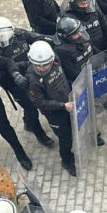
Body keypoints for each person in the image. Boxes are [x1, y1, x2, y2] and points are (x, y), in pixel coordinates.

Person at [0, 17, 54, 147]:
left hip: (32, 75)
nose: (2, 37)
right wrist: (14, 77)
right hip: (14, 83)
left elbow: (37, 38)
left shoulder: (20, 34)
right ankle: (39, 134)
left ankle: (27, 122)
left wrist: (50, 41)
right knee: (31, 109)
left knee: (35, 103)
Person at [25, 42, 77, 176]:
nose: (42, 68)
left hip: (68, 103)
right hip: (55, 113)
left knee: (73, 129)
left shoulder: (56, 60)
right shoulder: (32, 80)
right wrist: (62, 106)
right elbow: (40, 102)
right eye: (39, 65)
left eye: (46, 64)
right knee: (65, 138)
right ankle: (66, 160)